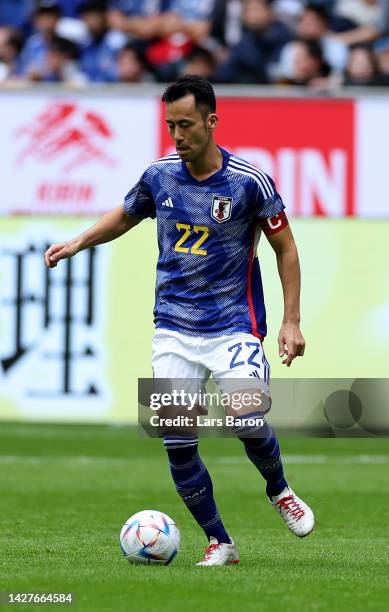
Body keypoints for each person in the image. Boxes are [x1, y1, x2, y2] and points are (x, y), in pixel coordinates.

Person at [44, 75, 314, 567]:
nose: (177, 134)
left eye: (186, 124)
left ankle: (279, 490)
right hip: (172, 328)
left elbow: (286, 248)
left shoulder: (249, 182)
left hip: (234, 323)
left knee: (245, 416)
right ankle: (220, 542)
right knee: (177, 441)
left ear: (212, 121)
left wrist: (291, 322)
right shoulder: (159, 175)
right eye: (170, 125)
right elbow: (125, 215)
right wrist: (79, 241)